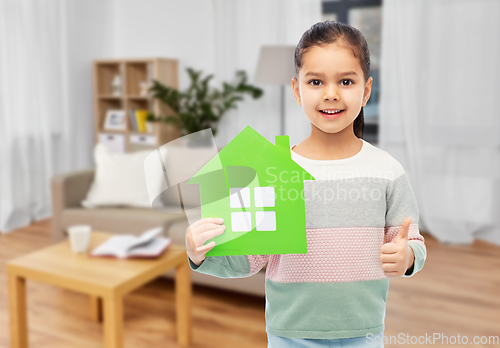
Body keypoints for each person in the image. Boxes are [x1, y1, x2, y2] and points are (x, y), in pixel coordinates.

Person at [185, 20, 427, 348]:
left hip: (365, 331)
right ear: (298, 90)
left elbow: (410, 240)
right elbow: (250, 258)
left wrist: (408, 256)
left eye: (345, 81)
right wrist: (200, 254)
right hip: (290, 334)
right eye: (315, 81)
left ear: (366, 90)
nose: (331, 94)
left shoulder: (387, 170)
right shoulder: (275, 170)